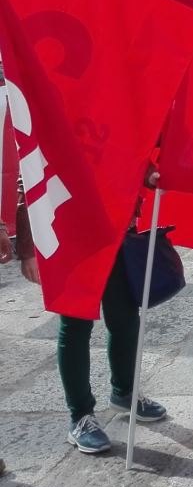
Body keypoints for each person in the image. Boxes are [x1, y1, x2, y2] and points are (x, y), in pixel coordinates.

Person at [14, 176, 170, 455]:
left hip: (117, 229)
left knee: (125, 319)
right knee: (75, 324)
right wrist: (28, 249)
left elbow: (134, 152)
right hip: (69, 231)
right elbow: (31, 166)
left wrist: (147, 172)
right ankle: (80, 416)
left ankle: (125, 392)